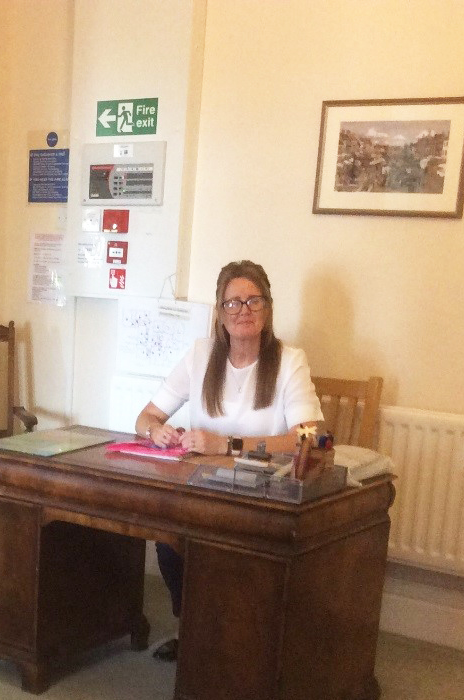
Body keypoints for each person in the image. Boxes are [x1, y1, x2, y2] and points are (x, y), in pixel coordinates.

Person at [133, 259, 323, 661]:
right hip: (203, 488)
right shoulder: (201, 356)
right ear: (220, 313)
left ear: (268, 309)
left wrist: (229, 444)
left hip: (263, 492)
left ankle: (238, 643)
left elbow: (311, 437)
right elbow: (144, 417)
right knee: (169, 541)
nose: (244, 310)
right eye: (233, 303)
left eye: (254, 301)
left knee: (229, 549)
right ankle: (195, 632)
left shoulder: (290, 361)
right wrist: (156, 431)